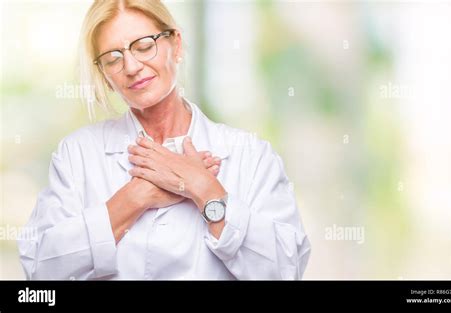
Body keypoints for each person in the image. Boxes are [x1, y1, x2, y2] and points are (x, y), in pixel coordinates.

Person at [18, 0, 311, 280]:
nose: (131, 67)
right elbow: (42, 273)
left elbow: (285, 271)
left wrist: (204, 189)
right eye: (113, 58)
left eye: (144, 46)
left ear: (176, 44)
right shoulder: (78, 155)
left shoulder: (250, 155)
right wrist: (136, 197)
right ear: (105, 76)